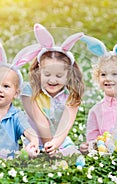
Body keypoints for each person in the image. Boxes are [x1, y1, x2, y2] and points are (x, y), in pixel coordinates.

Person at [21, 24, 85, 156]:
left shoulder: (71, 95)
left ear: (68, 74)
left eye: (59, 76)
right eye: (47, 74)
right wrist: (49, 145)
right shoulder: (29, 91)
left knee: (72, 154)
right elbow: (40, 121)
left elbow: (65, 125)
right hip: (34, 138)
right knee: (32, 154)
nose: (52, 80)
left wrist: (55, 144)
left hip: (59, 139)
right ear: (39, 71)